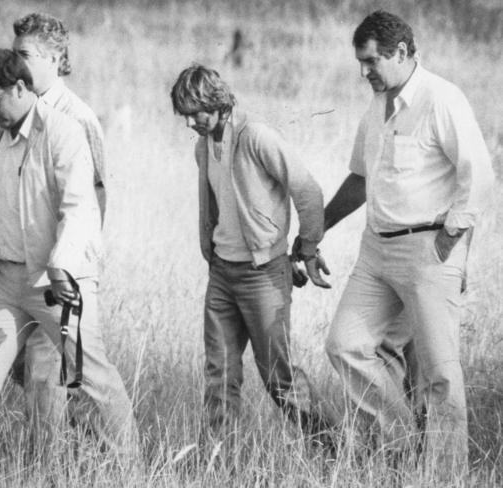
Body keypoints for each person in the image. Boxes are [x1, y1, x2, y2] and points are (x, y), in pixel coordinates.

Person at [0, 49, 137, 473]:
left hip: (58, 285)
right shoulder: (2, 134)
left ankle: (133, 472)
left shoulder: (65, 133)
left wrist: (61, 264)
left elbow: (80, 207)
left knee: (92, 379)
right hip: (7, 286)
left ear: (20, 87)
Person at [318, 10, 493, 476]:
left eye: (371, 61)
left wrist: (451, 237)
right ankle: (402, 448)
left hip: (428, 250)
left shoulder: (442, 99)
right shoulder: (377, 105)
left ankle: (442, 475)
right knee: (344, 345)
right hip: (376, 251)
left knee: (440, 373)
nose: (364, 72)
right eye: (360, 63)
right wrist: (318, 228)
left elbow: (479, 177)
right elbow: (359, 179)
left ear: (401, 52)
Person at [170, 64, 334, 443]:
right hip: (222, 275)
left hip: (263, 274)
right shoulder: (202, 147)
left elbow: (308, 191)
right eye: (187, 115)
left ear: (217, 101)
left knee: (280, 379)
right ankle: (219, 463)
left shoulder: (256, 135)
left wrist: (307, 247)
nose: (193, 122)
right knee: (219, 375)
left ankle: (332, 445)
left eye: (198, 112)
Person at [8, 13, 107, 421]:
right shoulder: (15, 110)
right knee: (26, 369)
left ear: (54, 57)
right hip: (21, 268)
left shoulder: (77, 116)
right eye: (13, 54)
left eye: (25, 55)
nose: (15, 64)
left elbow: (96, 197)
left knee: (55, 374)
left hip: (61, 273)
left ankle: (68, 470)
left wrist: (71, 267)